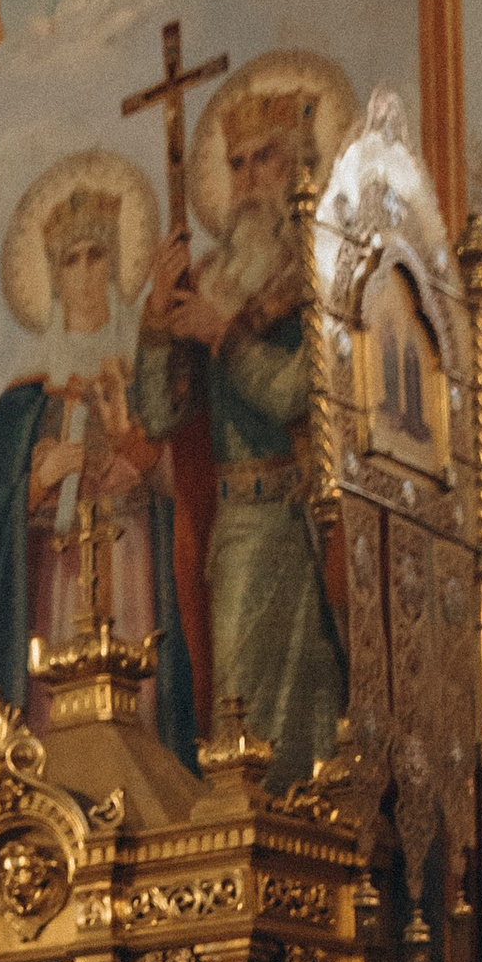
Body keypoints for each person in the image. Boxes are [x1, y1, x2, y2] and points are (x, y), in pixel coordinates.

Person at [134, 72, 346, 779]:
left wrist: (223, 335)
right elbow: (162, 416)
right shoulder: (215, 277)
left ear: (298, 166)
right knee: (239, 718)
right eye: (238, 162)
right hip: (240, 533)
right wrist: (159, 326)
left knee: (314, 717)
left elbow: (296, 393)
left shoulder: (320, 269)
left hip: (306, 524)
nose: (251, 178)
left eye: (267, 157)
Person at [0, 158, 204, 765]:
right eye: (69, 261)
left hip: (134, 575)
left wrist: (142, 464)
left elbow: (194, 490)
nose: (84, 274)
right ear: (51, 276)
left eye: (96, 256)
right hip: (54, 587)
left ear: (114, 267)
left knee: (143, 730)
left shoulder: (148, 377)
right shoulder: (21, 405)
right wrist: (34, 485)